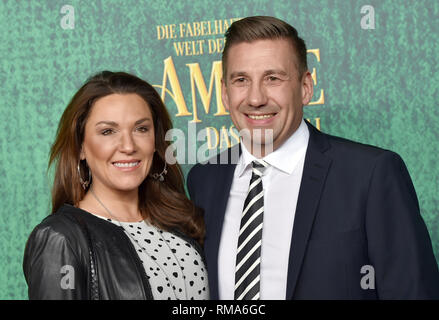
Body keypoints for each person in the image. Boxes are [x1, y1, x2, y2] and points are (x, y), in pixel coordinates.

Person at [187, 16, 439, 299]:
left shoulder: (371, 174)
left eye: (273, 78)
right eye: (241, 80)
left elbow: (413, 291)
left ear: (305, 87)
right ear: (224, 92)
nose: (255, 98)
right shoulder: (204, 180)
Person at [23, 71, 209, 300]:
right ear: (81, 147)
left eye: (141, 129)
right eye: (108, 131)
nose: (128, 146)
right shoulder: (60, 238)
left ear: (156, 141)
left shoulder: (181, 222)